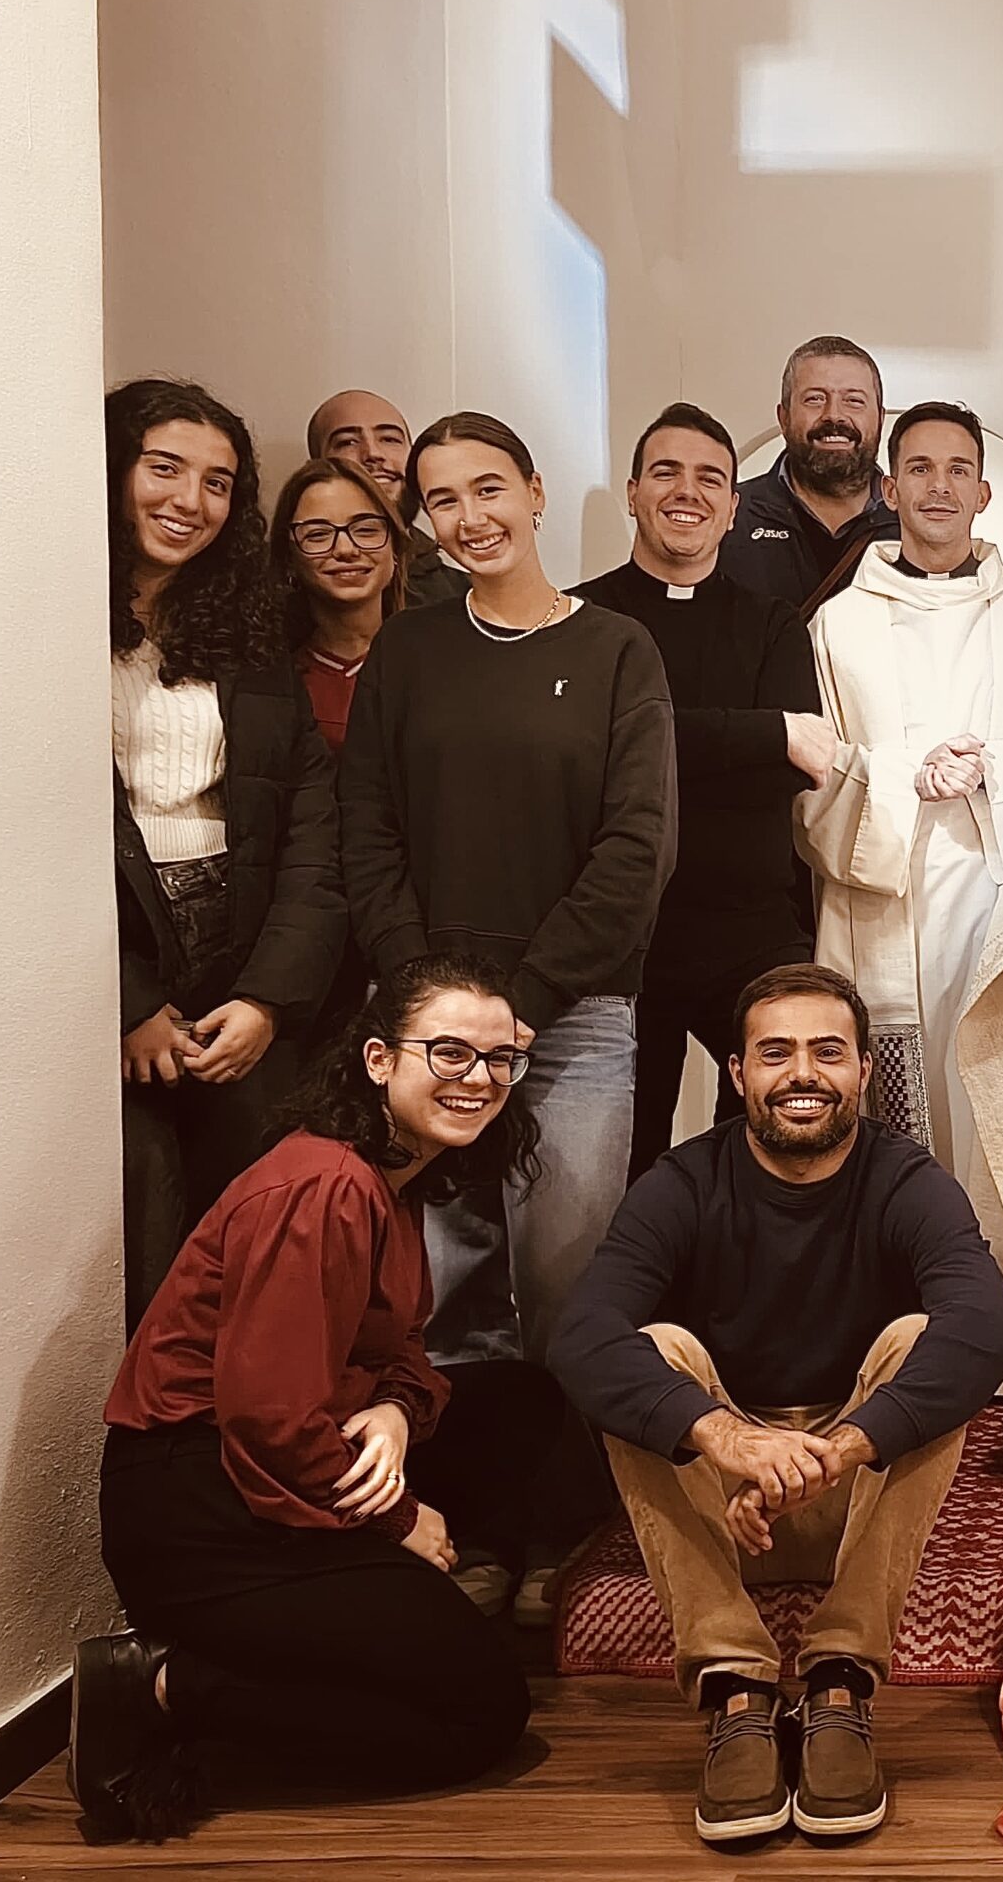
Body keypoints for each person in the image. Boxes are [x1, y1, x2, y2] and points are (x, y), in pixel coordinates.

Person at [73, 955, 561, 1843]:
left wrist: (397, 1412)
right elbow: (269, 1416)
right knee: (484, 1711)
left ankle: (385, 1608)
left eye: (500, 1059)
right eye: (450, 1052)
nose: (479, 1078)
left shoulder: (390, 1178)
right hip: (203, 1506)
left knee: (520, 1398)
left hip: (273, 1457)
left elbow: (404, 1350)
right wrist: (401, 1519)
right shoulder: (324, 1185)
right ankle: (162, 1682)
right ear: (379, 1059)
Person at [550, 964, 1003, 1844]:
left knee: (924, 1338)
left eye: (827, 1052)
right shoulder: (683, 1182)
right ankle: (736, 1685)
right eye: (776, 1053)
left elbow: (987, 1329)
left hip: (853, 1506)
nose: (803, 1073)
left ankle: (841, 1676)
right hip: (724, 1508)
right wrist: (726, 1440)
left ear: (864, 1070)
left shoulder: (907, 1179)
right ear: (737, 1073)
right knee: (655, 1351)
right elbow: (581, 1336)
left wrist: (841, 1448)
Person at [338, 411, 675, 1473]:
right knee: (445, 1285)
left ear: (534, 492)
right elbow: (368, 828)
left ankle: (569, 1511)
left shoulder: (616, 648)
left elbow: (637, 847)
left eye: (488, 488)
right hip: (432, 1023)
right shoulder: (408, 649)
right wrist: (427, 1000)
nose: (469, 517)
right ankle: (472, 1503)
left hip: (574, 1018)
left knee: (568, 1281)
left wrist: (518, 1005)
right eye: (442, 499)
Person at [109, 380, 346, 1325]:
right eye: (164, 468)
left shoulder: (249, 632)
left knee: (264, 1218)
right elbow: (34, 840)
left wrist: (266, 1001)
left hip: (241, 960)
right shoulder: (39, 621)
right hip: (114, 955)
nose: (189, 501)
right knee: (138, 1224)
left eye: (217, 482)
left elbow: (311, 831)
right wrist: (127, 1005)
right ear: (112, 469)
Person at [798, 402, 1003, 1189]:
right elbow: (810, 773)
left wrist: (996, 768)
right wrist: (905, 778)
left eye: (959, 470)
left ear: (984, 493)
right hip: (881, 905)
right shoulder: (837, 627)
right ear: (889, 489)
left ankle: (992, 1262)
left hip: (1001, 906)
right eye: (919, 468)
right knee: (895, 1116)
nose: (940, 486)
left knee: (1000, 1091)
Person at [578, 402, 828, 1178]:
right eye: (666, 472)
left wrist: (656, 740)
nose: (687, 491)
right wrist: (763, 731)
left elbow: (796, 765)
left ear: (731, 508)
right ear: (633, 493)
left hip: (751, 928)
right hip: (622, 933)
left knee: (779, 1137)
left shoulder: (773, 624)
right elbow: (586, 754)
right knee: (621, 1159)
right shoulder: (583, 619)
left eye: (710, 478)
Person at [723, 335, 898, 613]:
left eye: (854, 400)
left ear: (879, 418)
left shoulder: (912, 524)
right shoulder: (729, 518)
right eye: (815, 399)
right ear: (784, 418)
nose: (834, 416)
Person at [270, 456, 411, 756]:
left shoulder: (438, 662)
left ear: (395, 549)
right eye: (318, 535)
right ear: (289, 559)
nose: (346, 549)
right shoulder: (270, 681)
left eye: (366, 530)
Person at [307, 389, 464, 608]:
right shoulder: (278, 600)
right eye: (348, 442)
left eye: (390, 439)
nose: (373, 453)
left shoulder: (466, 596)